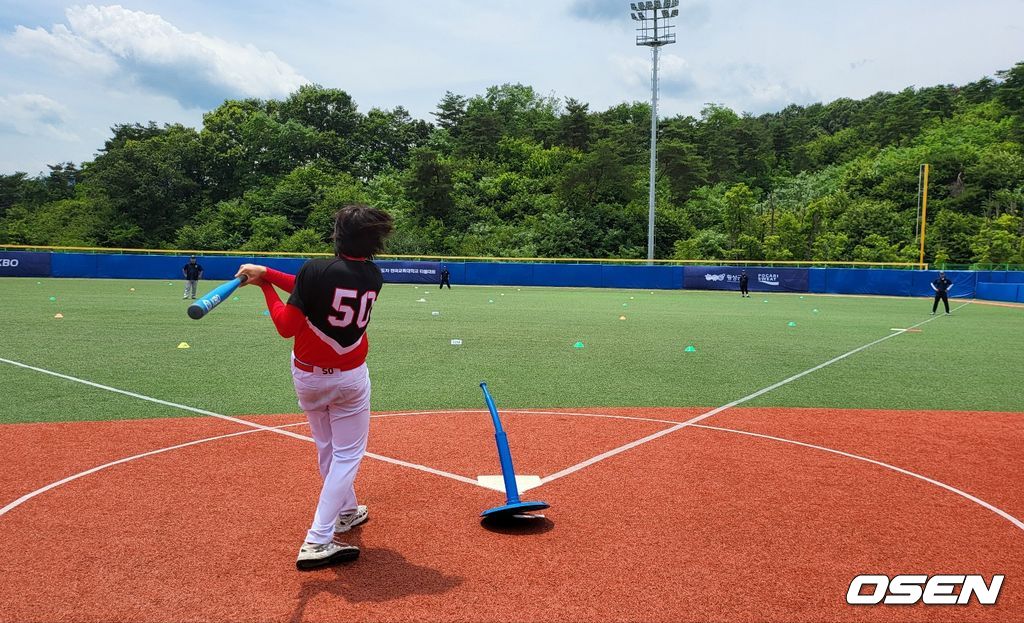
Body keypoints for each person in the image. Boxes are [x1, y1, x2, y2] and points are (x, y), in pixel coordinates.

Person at [234, 204, 393, 570]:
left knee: (328, 449)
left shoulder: (315, 271)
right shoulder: (372, 275)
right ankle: (319, 538)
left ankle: (346, 513)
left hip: (308, 377)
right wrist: (268, 274)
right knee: (346, 455)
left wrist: (266, 288)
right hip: (349, 377)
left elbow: (288, 325)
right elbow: (313, 286)